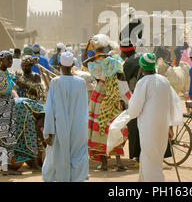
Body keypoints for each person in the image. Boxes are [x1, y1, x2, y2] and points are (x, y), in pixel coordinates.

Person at [127, 53, 183, 181]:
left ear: (141, 67)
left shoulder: (143, 82)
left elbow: (134, 109)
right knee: (151, 158)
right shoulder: (164, 81)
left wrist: (128, 113)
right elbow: (172, 103)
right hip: (162, 126)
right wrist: (170, 126)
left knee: (150, 161)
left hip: (149, 128)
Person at [85, 34, 130, 171]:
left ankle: (104, 164)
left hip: (99, 97)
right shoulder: (115, 61)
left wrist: (95, 57)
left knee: (100, 128)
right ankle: (118, 162)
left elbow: (85, 63)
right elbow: (122, 80)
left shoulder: (96, 64)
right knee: (115, 127)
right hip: (114, 97)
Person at [42, 51, 89, 182]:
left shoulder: (55, 82)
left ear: (60, 65)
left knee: (57, 154)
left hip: (59, 126)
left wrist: (48, 132)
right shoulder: (81, 83)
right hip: (78, 125)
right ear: (73, 64)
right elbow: (85, 107)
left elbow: (50, 108)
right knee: (78, 154)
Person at [120, 41, 142, 166]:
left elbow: (124, 80)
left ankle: (137, 156)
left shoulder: (129, 62)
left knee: (133, 126)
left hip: (134, 95)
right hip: (144, 93)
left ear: (126, 51)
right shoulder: (139, 57)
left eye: (122, 51)